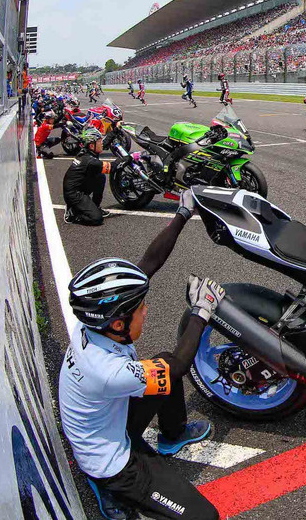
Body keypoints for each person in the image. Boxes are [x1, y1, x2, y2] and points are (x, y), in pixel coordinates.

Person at [58, 196, 221, 520]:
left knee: (160, 365)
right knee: (205, 517)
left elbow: (147, 264)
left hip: (104, 420)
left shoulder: (92, 321)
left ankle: (172, 435)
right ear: (118, 323)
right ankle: (107, 487)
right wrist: (202, 310)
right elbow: (178, 366)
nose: (146, 311)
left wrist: (183, 212)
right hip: (111, 462)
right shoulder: (108, 372)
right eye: (140, 309)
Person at [63, 127, 114, 225]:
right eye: (99, 141)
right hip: (74, 194)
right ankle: (73, 213)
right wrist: (130, 158)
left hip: (79, 186)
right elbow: (113, 167)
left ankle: (95, 206)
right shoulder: (89, 161)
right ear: (91, 145)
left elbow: (106, 142)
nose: (102, 143)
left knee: (100, 177)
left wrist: (116, 130)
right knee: (96, 219)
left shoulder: (88, 152)